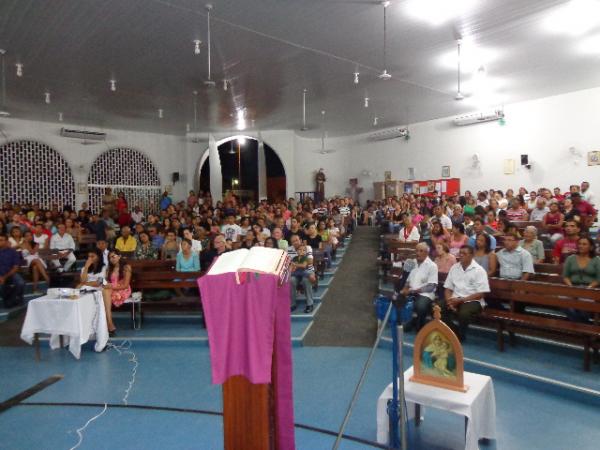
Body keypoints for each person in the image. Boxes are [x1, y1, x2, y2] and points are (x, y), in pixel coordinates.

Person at [443, 245, 490, 341]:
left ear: (472, 255)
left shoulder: (479, 270)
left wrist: (461, 300)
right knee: (437, 308)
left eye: (464, 253)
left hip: (472, 300)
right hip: (455, 298)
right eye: (460, 253)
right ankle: (455, 332)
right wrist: (449, 301)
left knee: (464, 313)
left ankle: (460, 336)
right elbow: (448, 288)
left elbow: (481, 293)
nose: (461, 255)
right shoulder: (454, 268)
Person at [396, 243, 438, 331]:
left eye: (421, 251)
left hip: (425, 294)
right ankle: (406, 323)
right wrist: (405, 288)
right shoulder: (412, 263)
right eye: (417, 250)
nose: (418, 253)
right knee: (397, 298)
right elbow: (407, 279)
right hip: (411, 291)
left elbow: (431, 287)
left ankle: (419, 327)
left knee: (421, 306)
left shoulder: (432, 266)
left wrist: (412, 291)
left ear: (426, 253)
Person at [562, 237, 600, 322]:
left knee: (585, 303)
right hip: (572, 287)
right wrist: (571, 287)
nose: (581, 246)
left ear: (591, 247)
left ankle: (578, 324)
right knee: (562, 300)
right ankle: (581, 324)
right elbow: (565, 276)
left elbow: (598, 279)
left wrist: (588, 288)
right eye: (579, 244)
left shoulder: (597, 260)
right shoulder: (570, 258)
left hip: (589, 288)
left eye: (584, 244)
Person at [102, 249, 132, 335]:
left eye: (113, 256)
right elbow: (107, 282)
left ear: (119, 256)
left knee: (105, 292)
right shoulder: (109, 268)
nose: (111, 259)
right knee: (103, 292)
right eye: (110, 257)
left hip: (123, 290)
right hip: (112, 289)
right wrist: (108, 285)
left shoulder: (126, 267)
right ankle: (109, 324)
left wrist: (111, 286)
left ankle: (109, 324)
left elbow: (126, 285)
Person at [0, 233, 25, 308]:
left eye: (1, 240)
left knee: (20, 283)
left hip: (11, 274)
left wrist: (4, 277)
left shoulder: (12, 251)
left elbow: (15, 267)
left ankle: (12, 300)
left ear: (6, 241)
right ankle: (10, 299)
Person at [289, 243, 314, 314]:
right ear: (297, 251)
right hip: (296, 275)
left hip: (304, 274)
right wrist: (292, 268)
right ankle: (292, 303)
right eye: (300, 250)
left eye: (304, 250)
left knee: (306, 280)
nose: (301, 251)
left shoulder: (305, 258)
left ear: (306, 252)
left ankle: (310, 304)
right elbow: (291, 268)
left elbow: (303, 266)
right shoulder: (294, 258)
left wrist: (295, 265)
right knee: (291, 280)